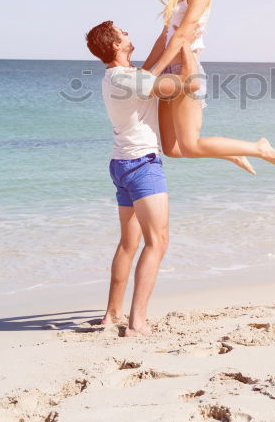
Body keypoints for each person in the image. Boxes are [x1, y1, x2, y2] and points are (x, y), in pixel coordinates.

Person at [84, 19, 200, 336]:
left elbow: (150, 66)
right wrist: (185, 45)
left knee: (129, 243)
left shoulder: (120, 77)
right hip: (142, 165)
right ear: (114, 46)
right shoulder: (129, 79)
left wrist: (170, 33)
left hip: (121, 165)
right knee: (157, 242)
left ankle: (111, 315)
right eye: (123, 33)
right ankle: (136, 323)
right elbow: (190, 84)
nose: (128, 34)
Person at [141, 0, 275, 173]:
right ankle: (232, 154)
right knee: (171, 149)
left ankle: (258, 147)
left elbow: (181, 35)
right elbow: (163, 39)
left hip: (184, 69)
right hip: (168, 71)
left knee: (190, 146)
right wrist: (144, 72)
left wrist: (154, 74)